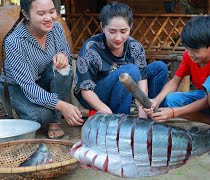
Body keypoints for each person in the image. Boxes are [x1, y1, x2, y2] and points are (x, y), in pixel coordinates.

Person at [0, 0, 84, 139]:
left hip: (42, 81)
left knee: (65, 69)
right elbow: (28, 86)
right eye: (41, 13)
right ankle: (30, 113)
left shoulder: (56, 28)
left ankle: (54, 121)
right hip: (18, 88)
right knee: (39, 116)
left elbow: (65, 51)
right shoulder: (14, 42)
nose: (49, 18)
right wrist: (63, 106)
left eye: (52, 12)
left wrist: (62, 55)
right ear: (26, 14)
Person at [144, 15, 210, 126]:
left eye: (195, 50)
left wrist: (174, 112)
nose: (190, 53)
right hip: (208, 99)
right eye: (187, 48)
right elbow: (175, 81)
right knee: (169, 100)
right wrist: (156, 100)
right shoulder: (189, 56)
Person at [74, 2, 168, 118]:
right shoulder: (91, 49)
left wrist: (143, 117)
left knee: (159, 67)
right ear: (102, 27)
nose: (118, 37)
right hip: (96, 95)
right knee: (130, 70)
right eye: (112, 31)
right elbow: (86, 91)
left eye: (123, 31)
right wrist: (108, 112)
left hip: (126, 90)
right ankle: (121, 119)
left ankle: (153, 116)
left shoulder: (135, 47)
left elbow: (142, 82)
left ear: (131, 26)